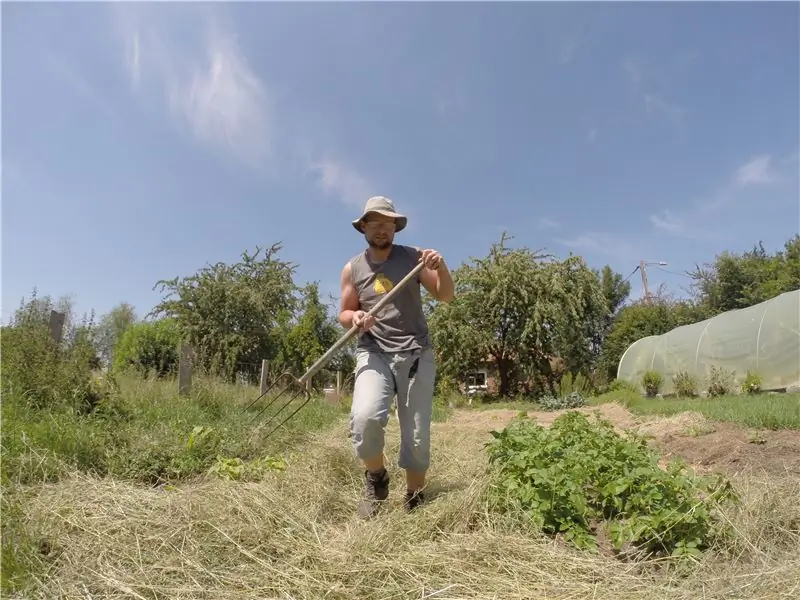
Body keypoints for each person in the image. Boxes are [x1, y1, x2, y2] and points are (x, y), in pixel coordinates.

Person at [338, 196, 454, 518]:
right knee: (365, 418)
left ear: (395, 227)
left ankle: (415, 496)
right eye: (373, 222)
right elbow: (344, 313)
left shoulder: (414, 259)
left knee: (416, 435)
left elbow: (445, 296)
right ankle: (376, 479)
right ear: (363, 226)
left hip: (416, 352)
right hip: (373, 351)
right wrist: (355, 319)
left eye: (387, 222)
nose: (380, 228)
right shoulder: (352, 268)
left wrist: (440, 266)